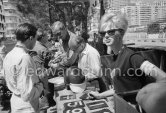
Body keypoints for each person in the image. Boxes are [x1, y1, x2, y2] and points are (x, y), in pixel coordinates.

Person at [89, 12, 166, 112]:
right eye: (103, 33)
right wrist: (99, 96)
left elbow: (163, 78)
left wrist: (146, 100)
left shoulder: (131, 57)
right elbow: (119, 90)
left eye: (111, 32)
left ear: (121, 33)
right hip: (122, 108)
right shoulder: (114, 59)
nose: (106, 36)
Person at [3, 23, 44, 113]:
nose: (35, 42)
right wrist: (40, 85)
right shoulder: (24, 57)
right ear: (30, 38)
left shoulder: (9, 55)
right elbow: (27, 94)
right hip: (27, 107)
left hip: (16, 102)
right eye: (36, 39)